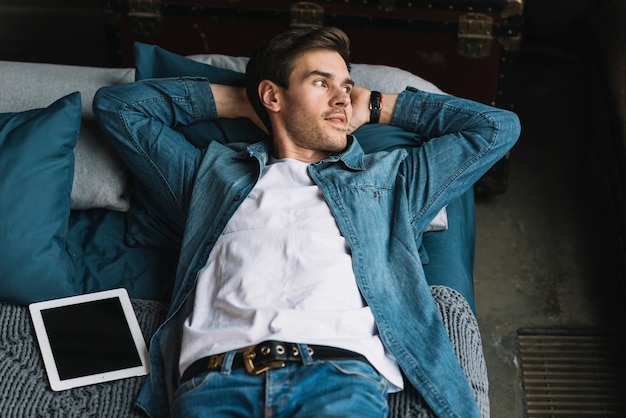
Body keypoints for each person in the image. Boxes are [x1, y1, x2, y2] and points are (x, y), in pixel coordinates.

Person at [94, 27, 520, 418]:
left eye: (346, 86)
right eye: (322, 82)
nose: (342, 98)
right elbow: (118, 109)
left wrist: (376, 105)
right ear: (273, 96)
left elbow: (496, 128)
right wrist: (244, 102)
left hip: (337, 382)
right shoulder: (211, 177)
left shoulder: (389, 180)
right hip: (215, 384)